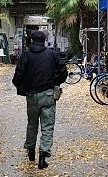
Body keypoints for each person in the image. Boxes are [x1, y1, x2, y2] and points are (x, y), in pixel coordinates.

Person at [12, 29, 67, 169]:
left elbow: (18, 74)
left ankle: (31, 151)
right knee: (47, 126)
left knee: (32, 123)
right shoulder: (52, 54)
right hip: (48, 94)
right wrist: (56, 82)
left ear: (31, 40)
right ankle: (43, 157)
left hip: (31, 95)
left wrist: (17, 83)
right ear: (44, 41)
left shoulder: (26, 55)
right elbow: (63, 72)